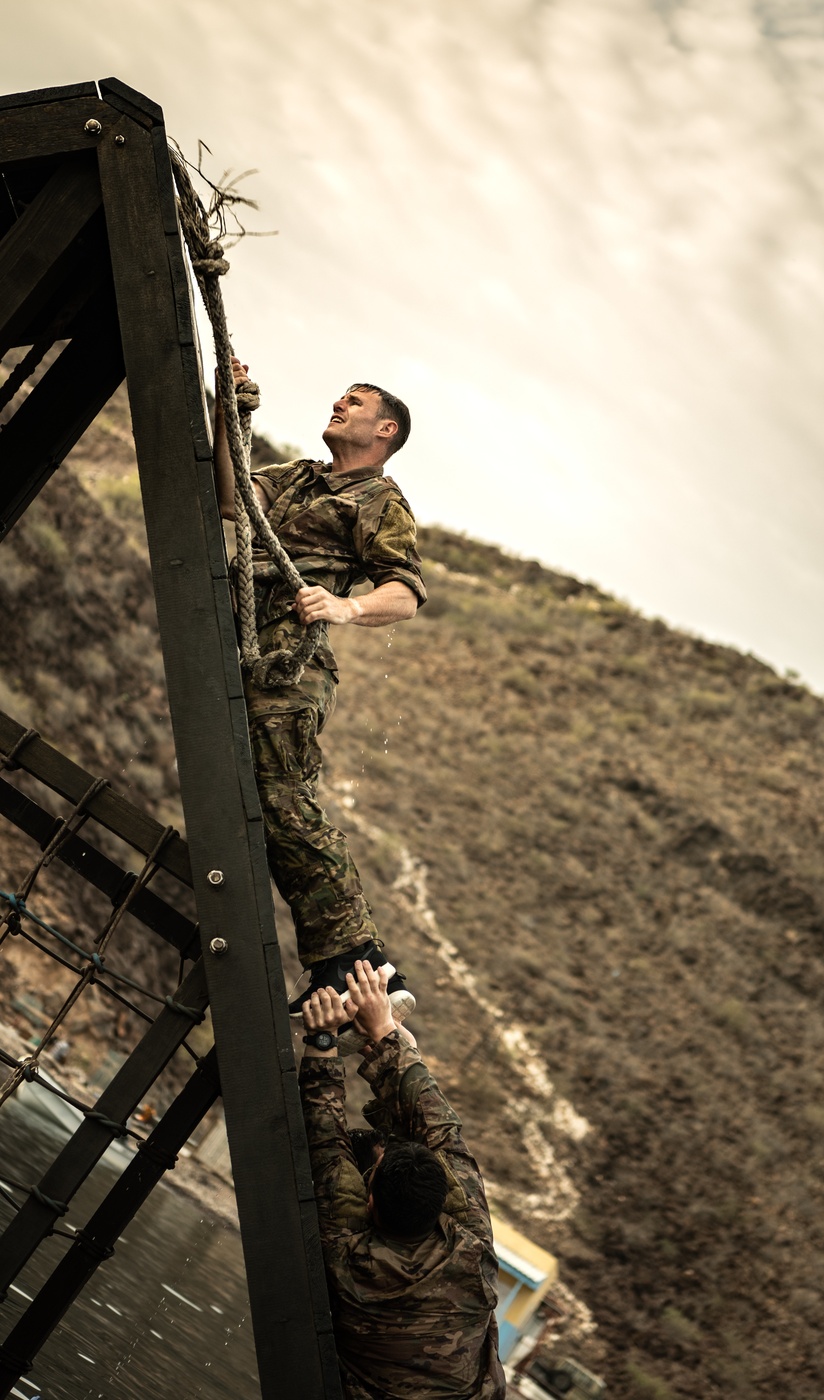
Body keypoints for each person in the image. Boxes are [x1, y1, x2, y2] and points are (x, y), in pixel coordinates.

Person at [213, 360, 426, 1015]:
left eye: (355, 401)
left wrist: (345, 608)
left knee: (283, 802)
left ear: (383, 429)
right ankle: (348, 962)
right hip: (239, 651)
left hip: (290, 668)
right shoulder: (301, 477)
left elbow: (406, 592)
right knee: (263, 807)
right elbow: (230, 498)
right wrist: (229, 412)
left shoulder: (379, 502)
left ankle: (359, 962)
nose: (340, 401)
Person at [299, 961, 505, 1399]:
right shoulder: (471, 1250)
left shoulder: (347, 1259)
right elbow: (438, 1135)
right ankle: (389, 1046)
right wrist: (337, 1040)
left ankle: (388, 1044)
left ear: (370, 1202)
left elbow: (325, 1145)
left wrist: (348, 1035)